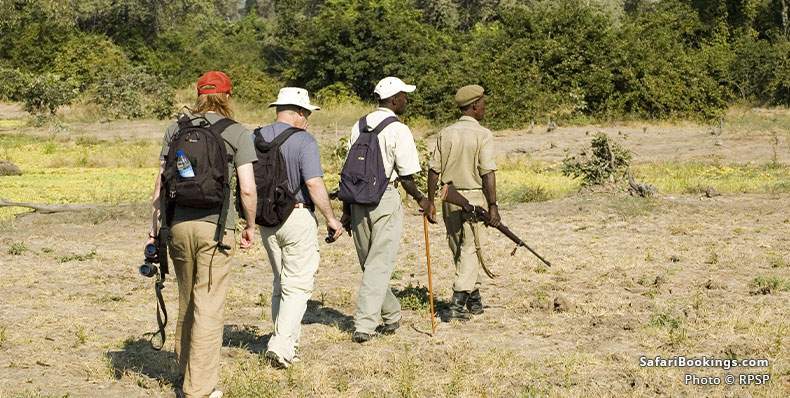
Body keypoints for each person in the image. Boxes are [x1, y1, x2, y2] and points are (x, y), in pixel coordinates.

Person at [147, 71, 257, 398]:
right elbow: (248, 190)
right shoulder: (236, 132)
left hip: (178, 226)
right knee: (209, 306)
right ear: (228, 95)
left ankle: (184, 375)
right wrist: (249, 225)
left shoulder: (176, 130)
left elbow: (160, 186)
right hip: (217, 228)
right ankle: (199, 389)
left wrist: (154, 233)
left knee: (187, 301)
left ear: (198, 94)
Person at [341, 77, 433, 343]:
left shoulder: (357, 126)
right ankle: (365, 326)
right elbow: (406, 176)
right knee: (378, 265)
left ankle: (392, 316)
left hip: (357, 200)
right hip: (384, 197)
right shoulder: (399, 129)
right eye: (404, 96)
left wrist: (347, 210)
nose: (406, 100)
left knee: (371, 264)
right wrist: (422, 200)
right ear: (394, 100)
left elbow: (349, 171)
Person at [257, 87, 344, 368]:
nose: (308, 118)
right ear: (297, 112)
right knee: (298, 285)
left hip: (266, 219)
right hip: (296, 215)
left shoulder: (254, 136)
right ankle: (281, 345)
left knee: (280, 282)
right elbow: (314, 183)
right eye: (306, 113)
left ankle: (289, 343)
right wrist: (331, 218)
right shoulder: (304, 140)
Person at [427, 84, 499, 321]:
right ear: (475, 106)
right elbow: (487, 172)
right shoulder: (483, 134)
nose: (484, 108)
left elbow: (433, 171)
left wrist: (431, 202)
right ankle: (457, 304)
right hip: (473, 196)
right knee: (470, 249)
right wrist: (493, 206)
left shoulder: (445, 133)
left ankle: (474, 299)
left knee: (459, 248)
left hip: (449, 196)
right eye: (483, 104)